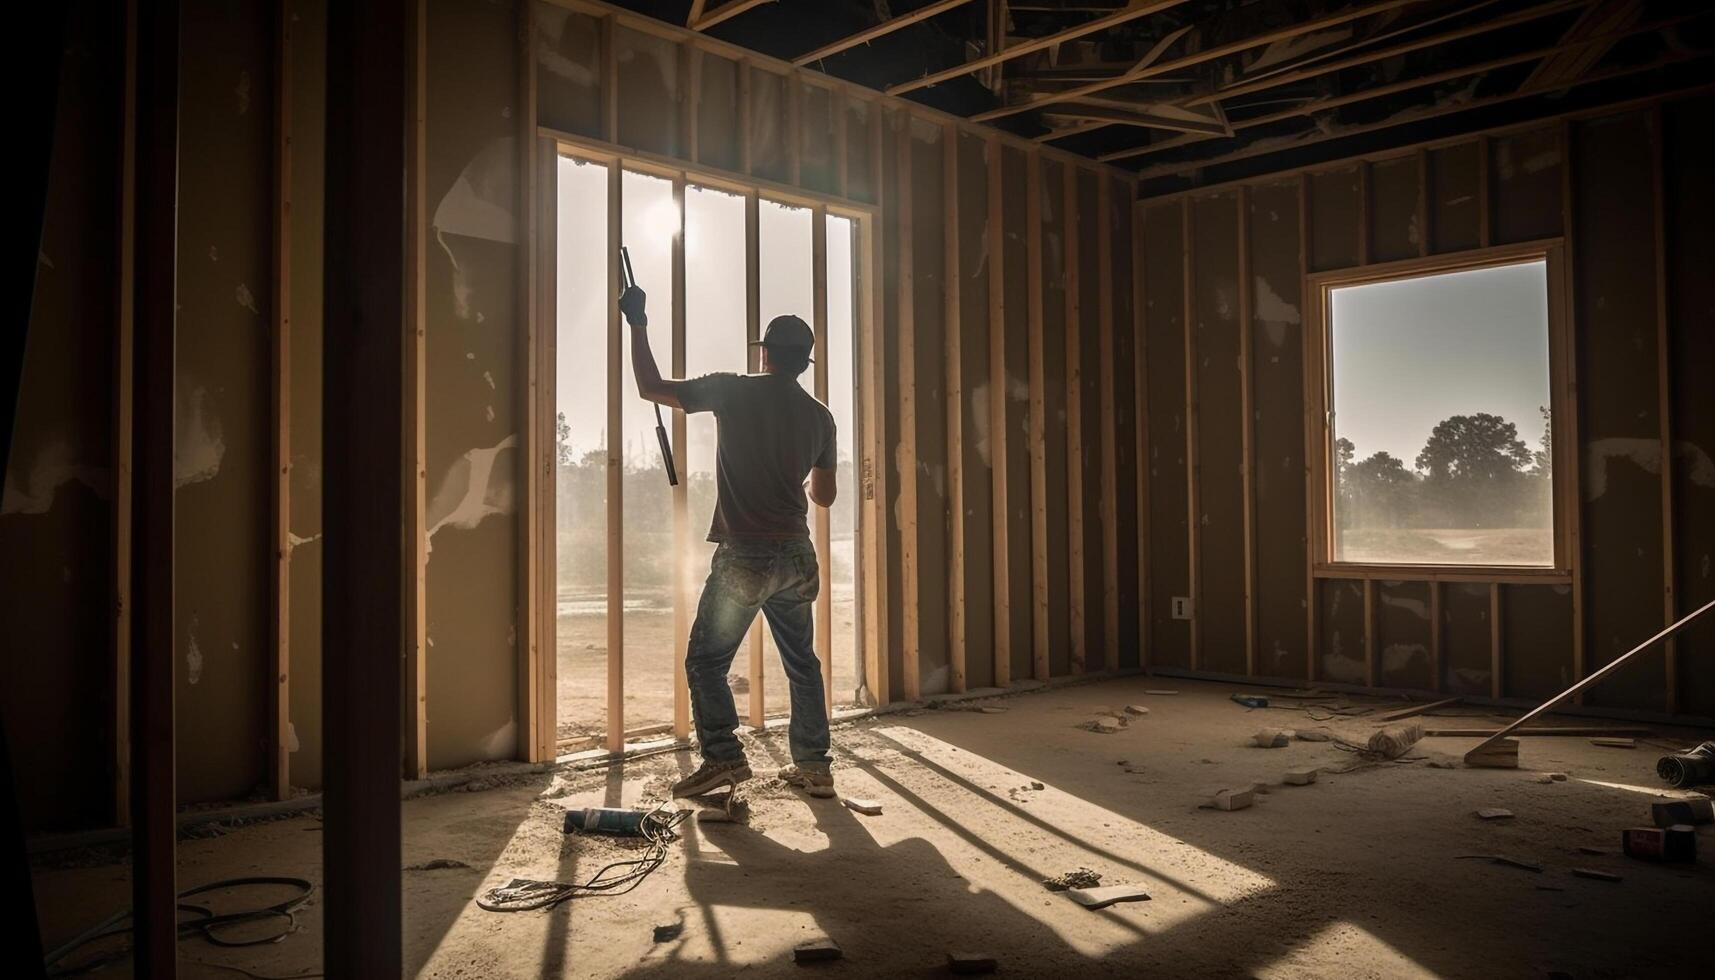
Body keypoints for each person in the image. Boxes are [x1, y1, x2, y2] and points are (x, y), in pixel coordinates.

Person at [620, 283, 839, 799]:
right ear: (803, 364)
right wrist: (795, 474)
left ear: (763, 354)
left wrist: (637, 321)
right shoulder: (820, 416)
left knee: (706, 661)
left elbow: (651, 387)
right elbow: (824, 498)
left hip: (747, 554)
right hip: (797, 556)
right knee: (802, 664)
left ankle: (722, 759)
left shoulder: (733, 390)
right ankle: (815, 767)